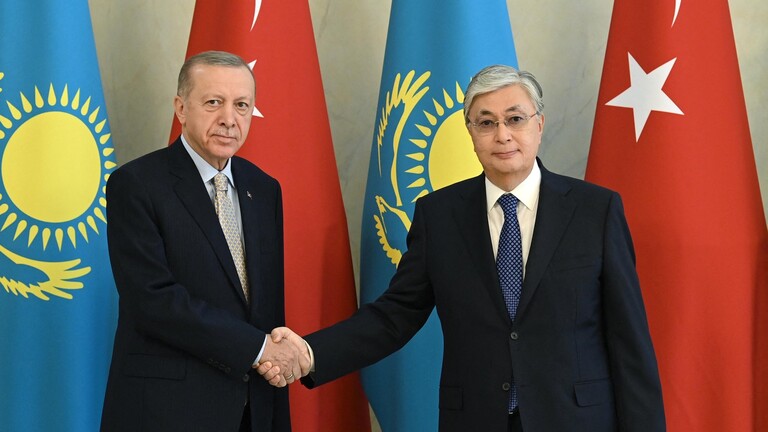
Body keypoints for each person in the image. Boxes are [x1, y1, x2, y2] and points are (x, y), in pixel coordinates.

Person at [260, 64, 666, 431]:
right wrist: (310, 353)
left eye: (515, 119)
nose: (502, 135)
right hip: (475, 419)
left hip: (576, 420)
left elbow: (629, 341)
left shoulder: (595, 211)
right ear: (470, 132)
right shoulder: (438, 216)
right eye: (486, 123)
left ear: (539, 125)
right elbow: (394, 316)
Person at [101, 50, 308, 432]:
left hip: (252, 409)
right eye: (214, 102)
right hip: (167, 412)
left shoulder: (264, 189)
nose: (229, 118)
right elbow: (153, 300)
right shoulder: (137, 184)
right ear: (181, 108)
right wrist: (259, 348)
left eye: (241, 105)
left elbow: (266, 308)